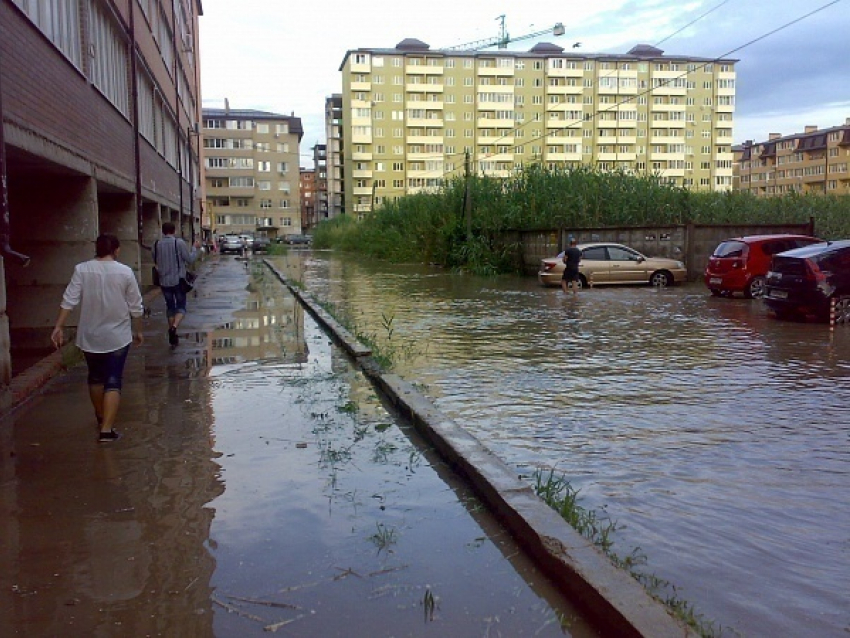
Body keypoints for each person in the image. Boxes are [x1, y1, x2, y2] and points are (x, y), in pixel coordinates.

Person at [51, 234, 144, 442]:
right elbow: (136, 307)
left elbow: (69, 299)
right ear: (116, 250)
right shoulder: (125, 272)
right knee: (113, 379)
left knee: (95, 377)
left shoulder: (82, 269)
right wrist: (138, 331)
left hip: (90, 335)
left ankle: (101, 415)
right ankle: (106, 430)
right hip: (118, 335)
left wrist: (58, 326)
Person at [153, 222, 201, 346]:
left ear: (163, 231)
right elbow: (189, 259)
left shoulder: (157, 244)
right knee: (181, 306)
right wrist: (195, 248)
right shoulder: (178, 243)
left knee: (170, 307)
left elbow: (155, 259)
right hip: (178, 280)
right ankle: (174, 327)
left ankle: (172, 334)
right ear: (174, 231)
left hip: (164, 281)